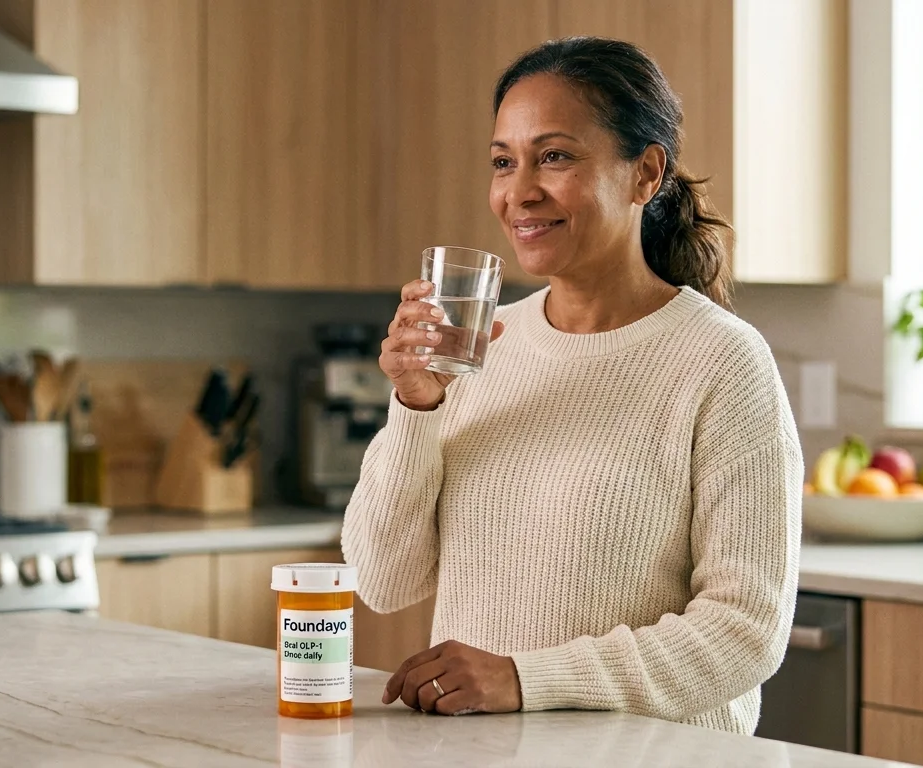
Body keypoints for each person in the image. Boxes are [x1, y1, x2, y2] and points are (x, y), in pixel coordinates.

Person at [340, 36, 802, 735]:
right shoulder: (477, 348)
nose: (519, 191)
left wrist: (526, 678)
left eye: (554, 156)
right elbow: (383, 580)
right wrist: (415, 405)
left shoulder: (722, 361)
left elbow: (744, 631)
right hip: (485, 753)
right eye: (503, 162)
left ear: (645, 173)